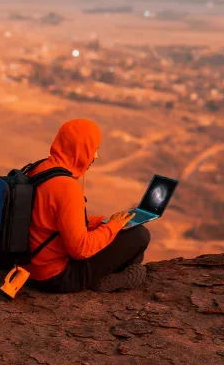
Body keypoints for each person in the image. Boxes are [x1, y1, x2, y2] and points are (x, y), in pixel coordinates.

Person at [25, 118, 151, 293]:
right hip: (54, 277)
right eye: (94, 149)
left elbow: (51, 219)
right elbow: (81, 249)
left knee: (118, 230)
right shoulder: (67, 187)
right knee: (139, 235)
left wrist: (103, 222)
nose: (95, 156)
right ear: (80, 149)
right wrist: (111, 227)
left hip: (26, 269)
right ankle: (114, 278)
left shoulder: (39, 169)